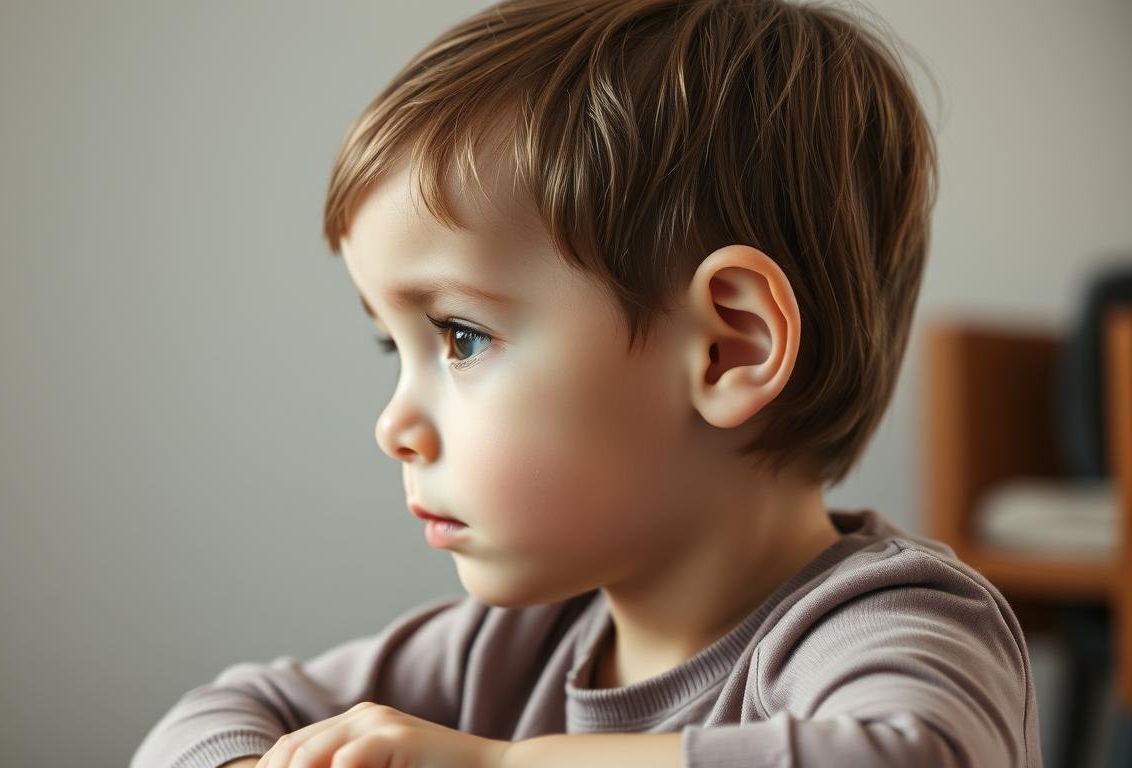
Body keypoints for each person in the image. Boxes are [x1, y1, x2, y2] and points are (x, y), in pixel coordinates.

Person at [132, 0, 1040, 765]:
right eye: (392, 346)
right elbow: (213, 714)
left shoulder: (891, 623)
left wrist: (498, 766)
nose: (394, 427)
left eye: (459, 335)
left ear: (728, 349)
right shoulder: (512, 647)